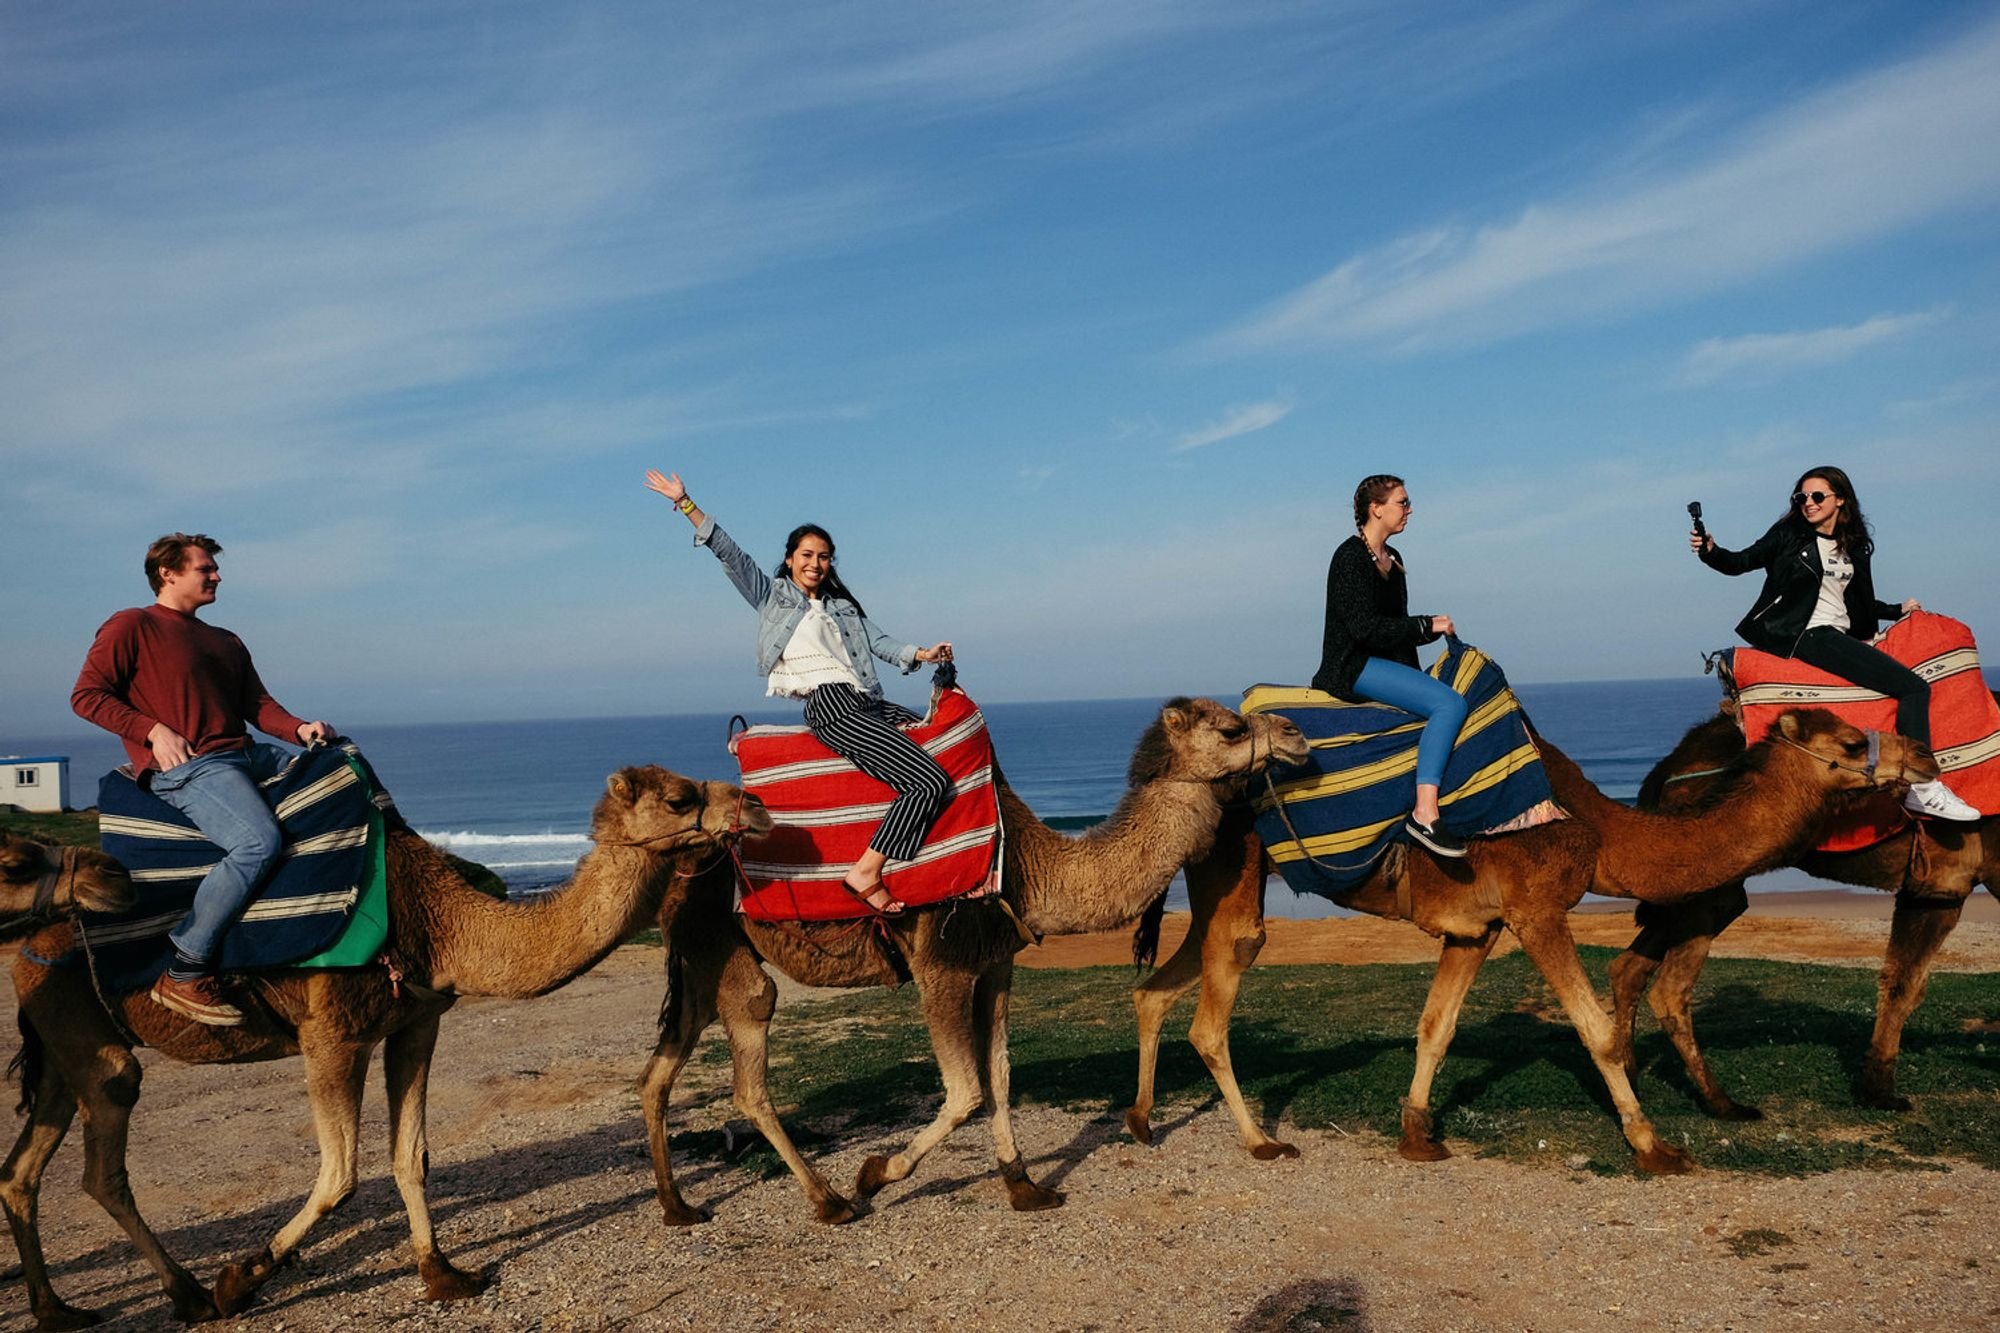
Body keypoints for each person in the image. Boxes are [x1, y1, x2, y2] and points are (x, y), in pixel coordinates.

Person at [646, 470, 954, 913]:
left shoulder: (842, 608)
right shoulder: (772, 597)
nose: (816, 563)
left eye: (824, 556)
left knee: (941, 741)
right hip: (832, 704)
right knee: (926, 781)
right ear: (790, 559)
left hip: (868, 699)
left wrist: (923, 653)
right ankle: (866, 871)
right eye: (807, 554)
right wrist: (686, 502)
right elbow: (730, 554)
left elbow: (879, 642)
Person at [72, 533, 337, 1025]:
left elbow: (257, 706)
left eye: (214, 568)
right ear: (168, 573)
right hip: (194, 767)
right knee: (257, 844)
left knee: (341, 780)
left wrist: (300, 729)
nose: (216, 575)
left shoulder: (225, 639)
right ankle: (185, 968)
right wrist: (151, 731)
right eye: (205, 568)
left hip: (248, 755)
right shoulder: (134, 625)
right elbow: (87, 696)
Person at [1693, 465, 1979, 822]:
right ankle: (1923, 788)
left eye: (1817, 496)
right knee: (1914, 689)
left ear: (1840, 499)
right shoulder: (1788, 535)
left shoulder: (1855, 546)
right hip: (1806, 634)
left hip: (1839, 633)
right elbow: (1740, 562)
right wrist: (1710, 550)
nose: (1808, 504)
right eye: (1801, 498)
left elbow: (1856, 603)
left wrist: (1897, 610)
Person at [1312, 474, 1469, 857]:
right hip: (1353, 664)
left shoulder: (1394, 559)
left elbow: (1396, 630)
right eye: (1403, 502)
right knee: (1450, 705)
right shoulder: (1349, 558)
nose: (1409, 509)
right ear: (1376, 508)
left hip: (1382, 661)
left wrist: (1427, 637)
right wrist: (1426, 624)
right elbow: (1365, 629)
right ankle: (1425, 814)